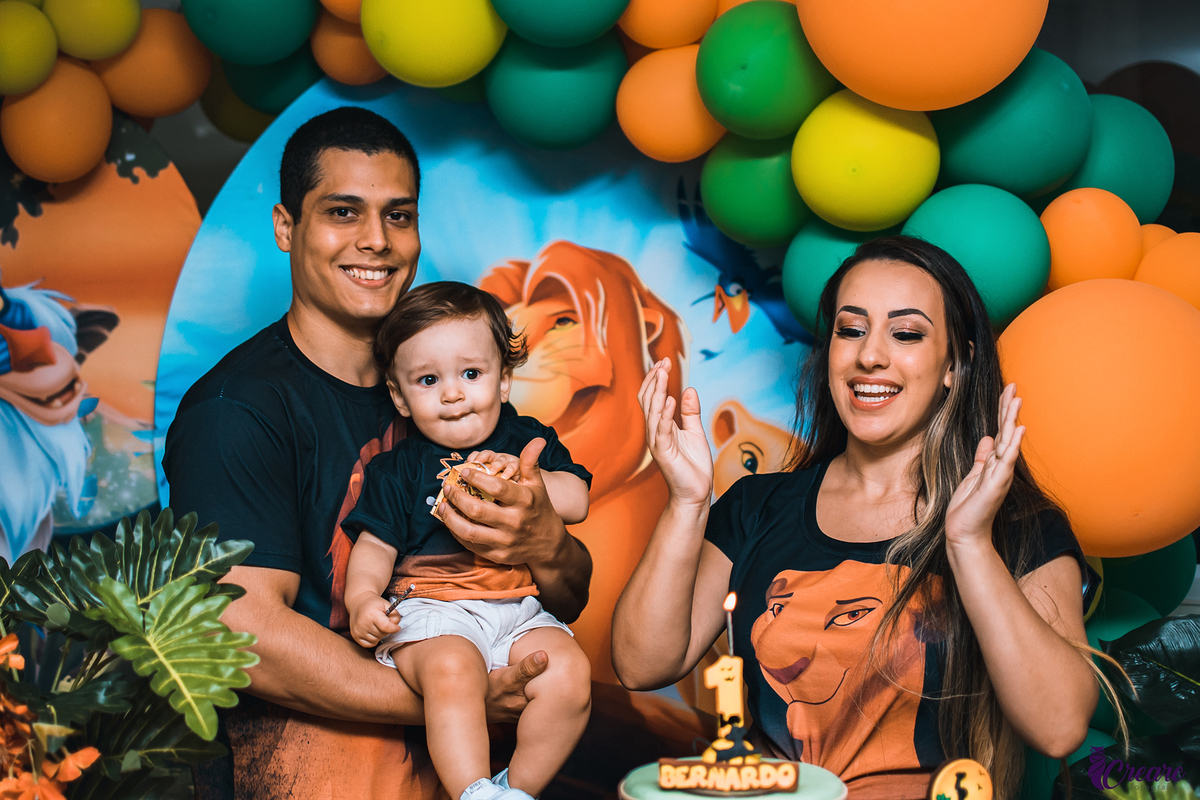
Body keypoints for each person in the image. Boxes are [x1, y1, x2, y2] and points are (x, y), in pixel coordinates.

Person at [163, 107, 592, 800]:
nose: (376, 240)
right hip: (304, 776)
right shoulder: (236, 412)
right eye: (343, 212)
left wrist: (545, 540)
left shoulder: (459, 393)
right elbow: (246, 635)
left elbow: (569, 595)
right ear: (286, 227)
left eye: (399, 215)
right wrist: (464, 693)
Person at [612, 236, 1103, 800]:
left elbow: (1059, 727)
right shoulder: (755, 506)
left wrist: (969, 544)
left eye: (907, 334)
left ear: (955, 364)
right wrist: (687, 502)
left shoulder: (1018, 525)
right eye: (851, 329)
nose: (870, 355)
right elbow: (641, 665)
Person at [341, 281, 593, 800]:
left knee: (569, 673)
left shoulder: (527, 441)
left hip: (517, 609)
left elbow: (578, 501)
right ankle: (473, 792)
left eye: (471, 374)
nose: (453, 394)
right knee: (453, 672)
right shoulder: (398, 469)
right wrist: (362, 598)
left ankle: (514, 791)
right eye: (428, 380)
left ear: (504, 380)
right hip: (435, 611)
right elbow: (375, 546)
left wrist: (526, 479)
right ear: (400, 397)